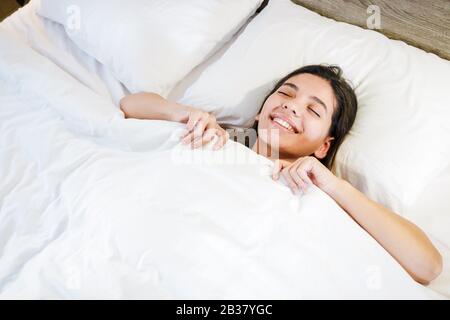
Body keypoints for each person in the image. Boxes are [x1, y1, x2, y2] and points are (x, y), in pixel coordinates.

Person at [119, 64, 442, 284]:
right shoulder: (217, 135)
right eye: (286, 94)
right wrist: (186, 114)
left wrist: (335, 186)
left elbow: (427, 267)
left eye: (314, 110)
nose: (292, 106)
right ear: (261, 110)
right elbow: (130, 104)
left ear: (324, 146)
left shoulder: (326, 190)